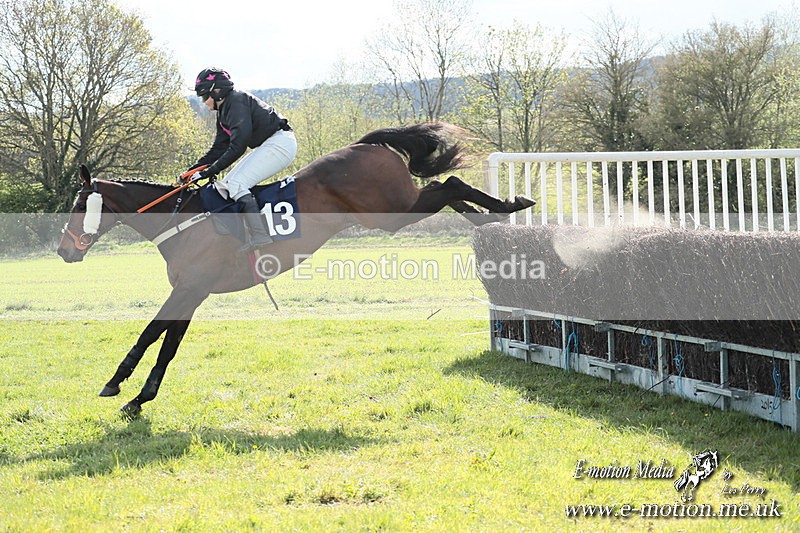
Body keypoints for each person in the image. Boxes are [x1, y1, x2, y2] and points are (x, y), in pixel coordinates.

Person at [186, 67, 297, 252]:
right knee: (228, 184)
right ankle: (247, 233)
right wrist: (193, 170)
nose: (204, 102)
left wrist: (207, 172)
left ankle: (260, 236)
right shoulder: (223, 112)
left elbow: (238, 147)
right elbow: (218, 149)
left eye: (205, 97)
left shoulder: (236, 102)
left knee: (237, 184)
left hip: (281, 143)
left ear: (217, 91)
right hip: (270, 144)